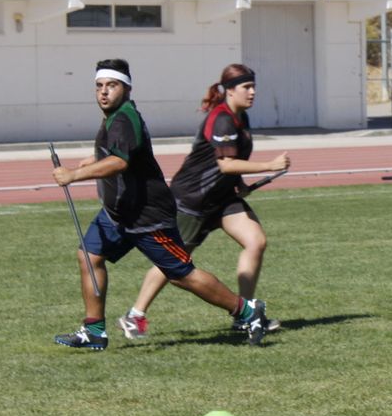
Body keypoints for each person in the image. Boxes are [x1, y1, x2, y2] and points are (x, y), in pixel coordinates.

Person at [51, 59, 270, 350]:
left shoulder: (124, 119)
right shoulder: (115, 117)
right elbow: (124, 153)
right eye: (99, 86)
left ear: (126, 88)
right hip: (117, 213)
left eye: (111, 86)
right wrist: (96, 158)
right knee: (89, 257)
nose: (103, 92)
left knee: (182, 276)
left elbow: (119, 161)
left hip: (146, 216)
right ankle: (94, 331)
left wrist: (74, 175)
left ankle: (246, 311)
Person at [117, 64, 290, 340]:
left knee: (255, 241)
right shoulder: (221, 119)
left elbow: (230, 165)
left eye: (253, 86)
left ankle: (246, 316)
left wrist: (240, 185)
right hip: (192, 201)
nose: (253, 92)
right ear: (230, 90)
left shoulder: (240, 118)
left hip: (223, 200)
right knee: (174, 263)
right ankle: (134, 315)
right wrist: (269, 165)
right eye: (247, 87)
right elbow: (225, 164)